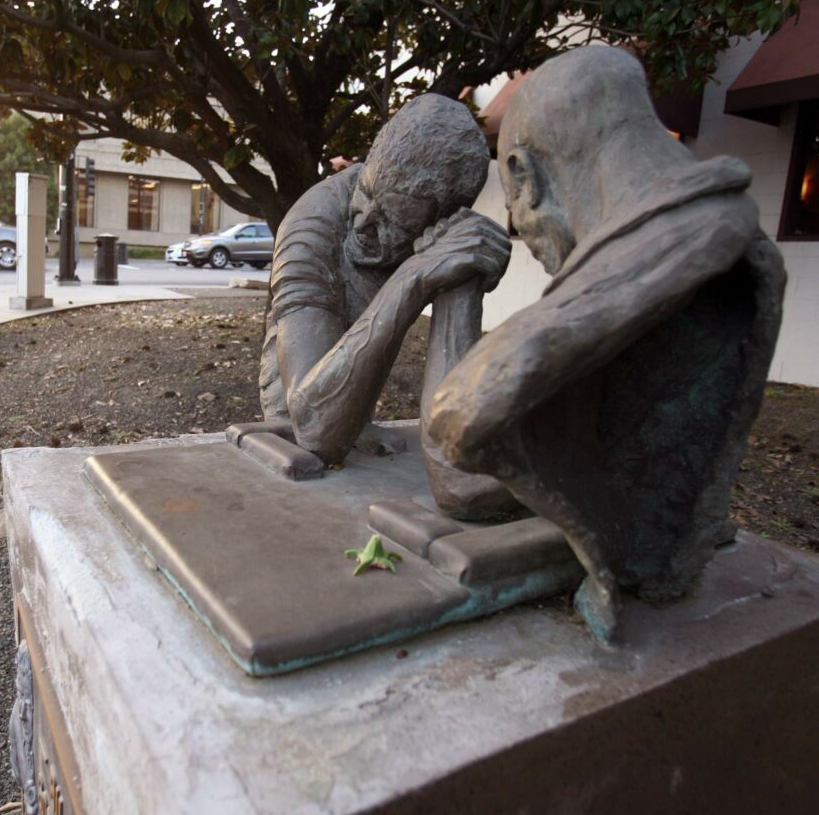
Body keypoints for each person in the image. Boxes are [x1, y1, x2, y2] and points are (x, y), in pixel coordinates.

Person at [427, 46, 786, 638]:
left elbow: (461, 414)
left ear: (523, 175)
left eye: (511, 206)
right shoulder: (733, 242)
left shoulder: (679, 251)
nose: (523, 236)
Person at [259, 93, 517, 518]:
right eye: (365, 193)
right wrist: (415, 276)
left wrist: (461, 279)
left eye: (391, 221)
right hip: (300, 398)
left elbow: (461, 480)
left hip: (343, 390)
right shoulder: (311, 225)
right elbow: (312, 428)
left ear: (439, 222)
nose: (362, 222)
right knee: (313, 418)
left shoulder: (435, 230)